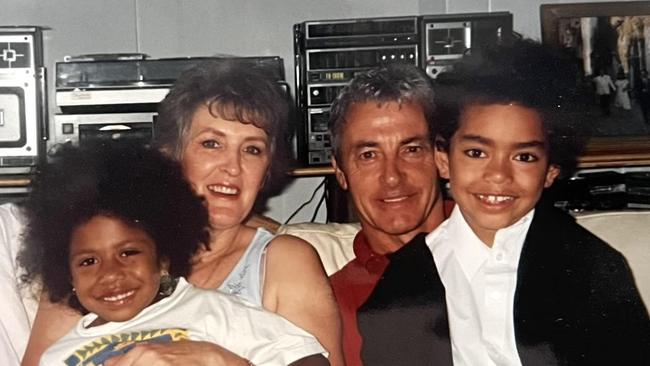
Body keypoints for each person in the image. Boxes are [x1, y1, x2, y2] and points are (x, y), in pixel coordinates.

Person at [22, 60, 343, 366]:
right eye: (211, 144)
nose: (233, 167)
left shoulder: (282, 260)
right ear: (170, 155)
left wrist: (224, 361)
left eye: (252, 149)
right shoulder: (95, 252)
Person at [358, 39, 650, 366]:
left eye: (524, 157)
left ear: (551, 171)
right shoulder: (403, 283)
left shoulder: (592, 269)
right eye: (476, 153)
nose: (498, 175)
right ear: (443, 159)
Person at [19, 145, 328, 366]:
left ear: (163, 257)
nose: (110, 274)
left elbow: (307, 358)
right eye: (88, 261)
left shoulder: (213, 311)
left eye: (128, 253)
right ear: (66, 273)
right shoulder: (58, 357)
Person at [327, 62, 449, 366]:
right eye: (368, 155)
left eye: (411, 150)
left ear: (441, 157)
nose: (392, 177)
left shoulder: (501, 244)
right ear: (340, 172)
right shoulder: (329, 300)